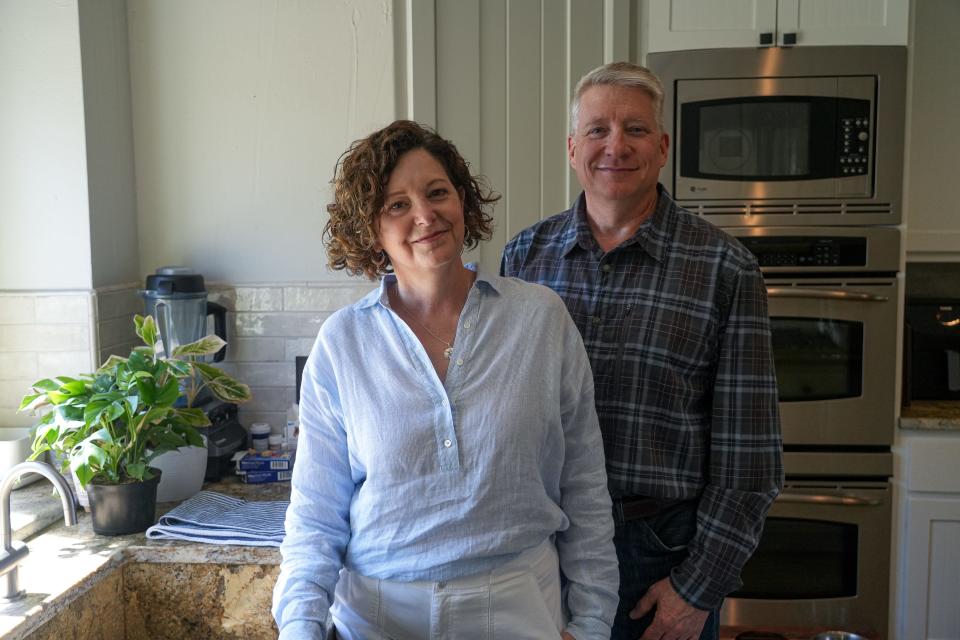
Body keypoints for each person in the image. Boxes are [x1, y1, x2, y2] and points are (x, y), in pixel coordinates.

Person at [273, 120, 619, 640]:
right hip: (378, 614)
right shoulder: (342, 342)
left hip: (519, 603)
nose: (424, 215)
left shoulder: (540, 319)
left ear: (463, 200)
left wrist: (593, 624)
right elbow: (315, 517)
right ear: (370, 229)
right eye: (397, 205)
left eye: (437, 193)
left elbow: (586, 486)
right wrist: (300, 627)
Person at [501, 62, 783, 640]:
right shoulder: (525, 258)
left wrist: (697, 588)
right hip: (540, 549)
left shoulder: (724, 269)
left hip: (658, 557)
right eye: (598, 129)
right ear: (573, 147)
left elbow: (749, 460)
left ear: (662, 147)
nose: (616, 146)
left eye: (634, 129)